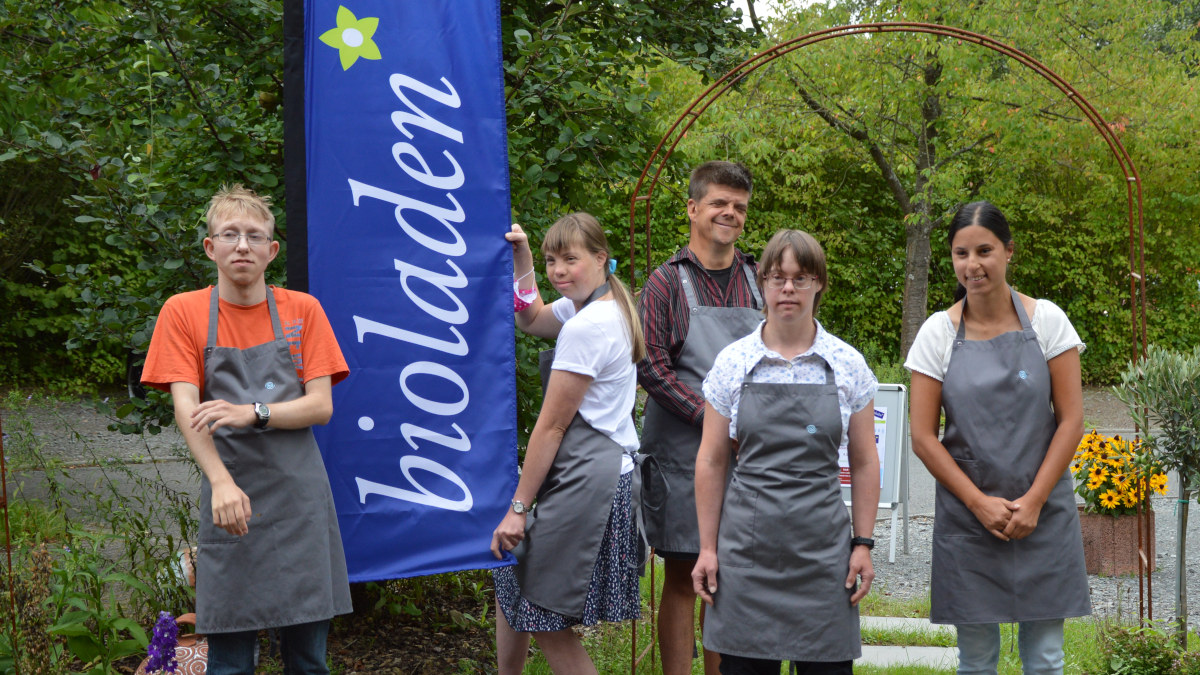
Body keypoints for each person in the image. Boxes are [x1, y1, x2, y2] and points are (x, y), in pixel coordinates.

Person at [141, 185, 351, 675]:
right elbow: (186, 408)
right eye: (229, 235)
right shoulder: (184, 311)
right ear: (210, 247)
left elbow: (320, 407)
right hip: (229, 497)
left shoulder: (303, 310)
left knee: (308, 660)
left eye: (255, 236)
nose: (242, 246)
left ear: (271, 251)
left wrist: (251, 411)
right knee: (230, 662)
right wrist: (220, 483)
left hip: (299, 502)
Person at [905, 201, 1090, 674]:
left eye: (984, 250)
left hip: (1042, 513)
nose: (972, 265)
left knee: (1047, 659)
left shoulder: (1048, 322)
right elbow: (924, 437)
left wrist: (1033, 501)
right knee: (977, 659)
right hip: (970, 520)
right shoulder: (936, 334)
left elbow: (1070, 421)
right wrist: (978, 503)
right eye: (960, 253)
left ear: (1009, 252)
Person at [692, 229, 879, 675]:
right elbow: (712, 459)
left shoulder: (847, 364)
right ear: (762, 284)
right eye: (777, 277)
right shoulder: (733, 362)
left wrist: (864, 543)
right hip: (746, 555)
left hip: (823, 554)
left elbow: (866, 460)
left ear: (820, 283)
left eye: (800, 277)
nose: (788, 288)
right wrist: (706, 548)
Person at [490, 213, 646, 675]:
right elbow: (532, 319)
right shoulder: (597, 305)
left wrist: (518, 508)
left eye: (570, 260)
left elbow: (552, 427)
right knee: (508, 573)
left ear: (601, 259)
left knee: (544, 616)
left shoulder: (589, 325)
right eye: (551, 260)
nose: (559, 271)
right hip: (597, 471)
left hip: (590, 480)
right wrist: (523, 260)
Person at [637, 160, 763, 675]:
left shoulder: (759, 279)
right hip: (683, 456)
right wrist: (715, 422)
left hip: (748, 453)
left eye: (739, 206)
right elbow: (651, 367)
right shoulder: (665, 283)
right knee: (685, 573)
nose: (729, 213)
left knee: (729, 575)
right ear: (693, 208)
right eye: (718, 203)